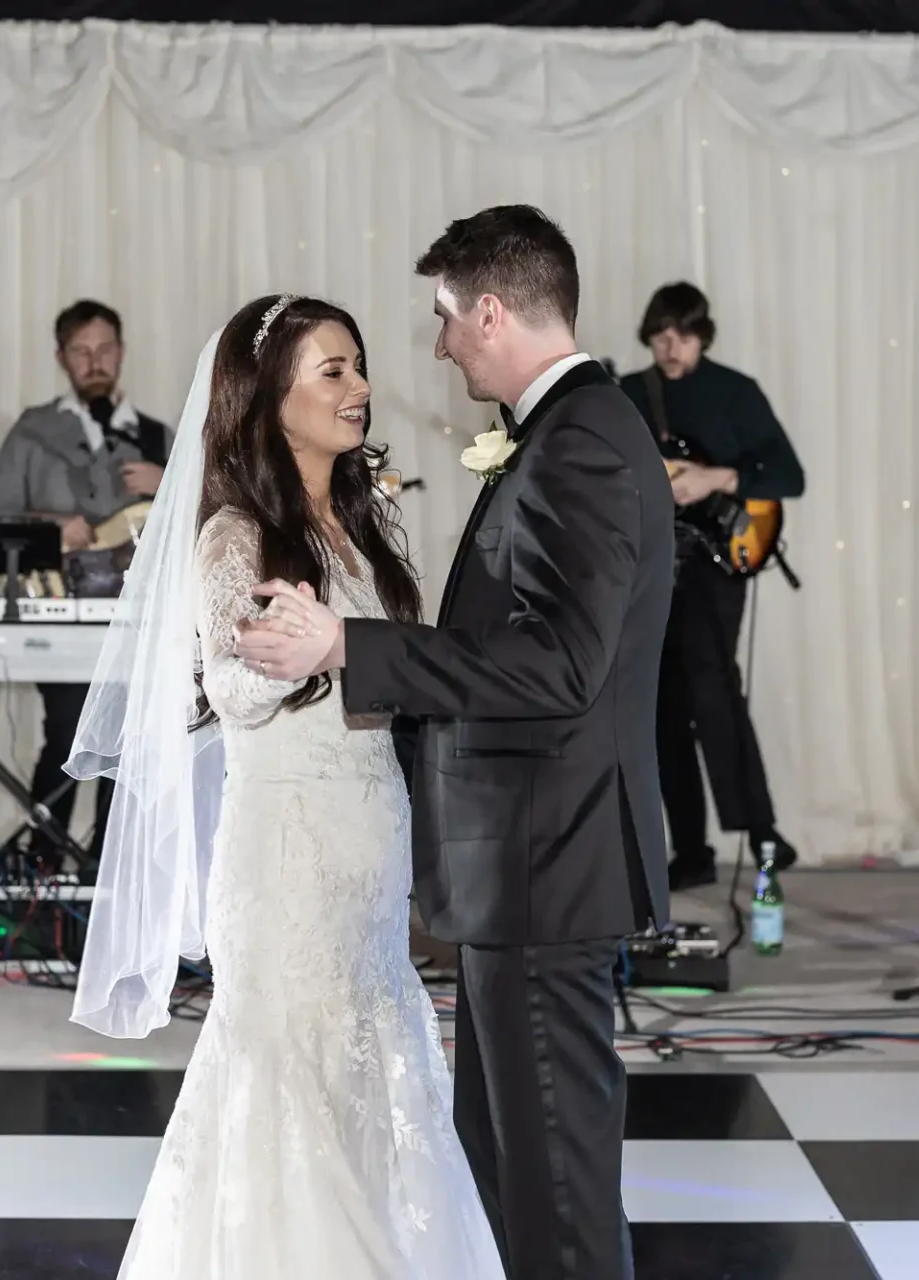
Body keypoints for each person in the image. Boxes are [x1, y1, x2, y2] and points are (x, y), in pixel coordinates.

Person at [239, 205, 675, 1280]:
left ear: (490, 309)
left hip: (545, 863)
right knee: (516, 1176)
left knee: (556, 1191)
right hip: (528, 865)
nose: (437, 346)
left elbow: (560, 665)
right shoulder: (571, 432)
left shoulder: (578, 442)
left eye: (443, 319)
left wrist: (354, 644)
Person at [62, 296, 504, 1277]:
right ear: (271, 400)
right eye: (332, 371)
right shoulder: (235, 535)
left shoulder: (359, 525)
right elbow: (227, 687)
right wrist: (294, 652)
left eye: (357, 365)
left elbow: (401, 669)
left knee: (369, 1082)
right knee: (289, 1098)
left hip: (370, 849)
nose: (360, 388)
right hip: (288, 864)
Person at [620, 282, 805, 888]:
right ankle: (691, 852)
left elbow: (787, 474)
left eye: (684, 336)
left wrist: (715, 478)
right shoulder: (629, 395)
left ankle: (762, 833)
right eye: (661, 335)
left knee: (713, 686)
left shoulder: (734, 392)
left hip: (717, 562)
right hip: (654, 565)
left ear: (703, 335)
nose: (671, 348)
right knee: (662, 705)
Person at [0, 299, 169, 868]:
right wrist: (51, 526)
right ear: (62, 358)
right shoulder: (33, 433)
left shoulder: (160, 438)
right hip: (61, 618)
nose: (95, 362)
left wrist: (171, 482)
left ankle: (113, 879)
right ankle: (44, 873)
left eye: (105, 349)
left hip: (139, 624)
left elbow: (209, 526)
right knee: (65, 736)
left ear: (122, 351)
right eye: (81, 352)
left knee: (130, 748)